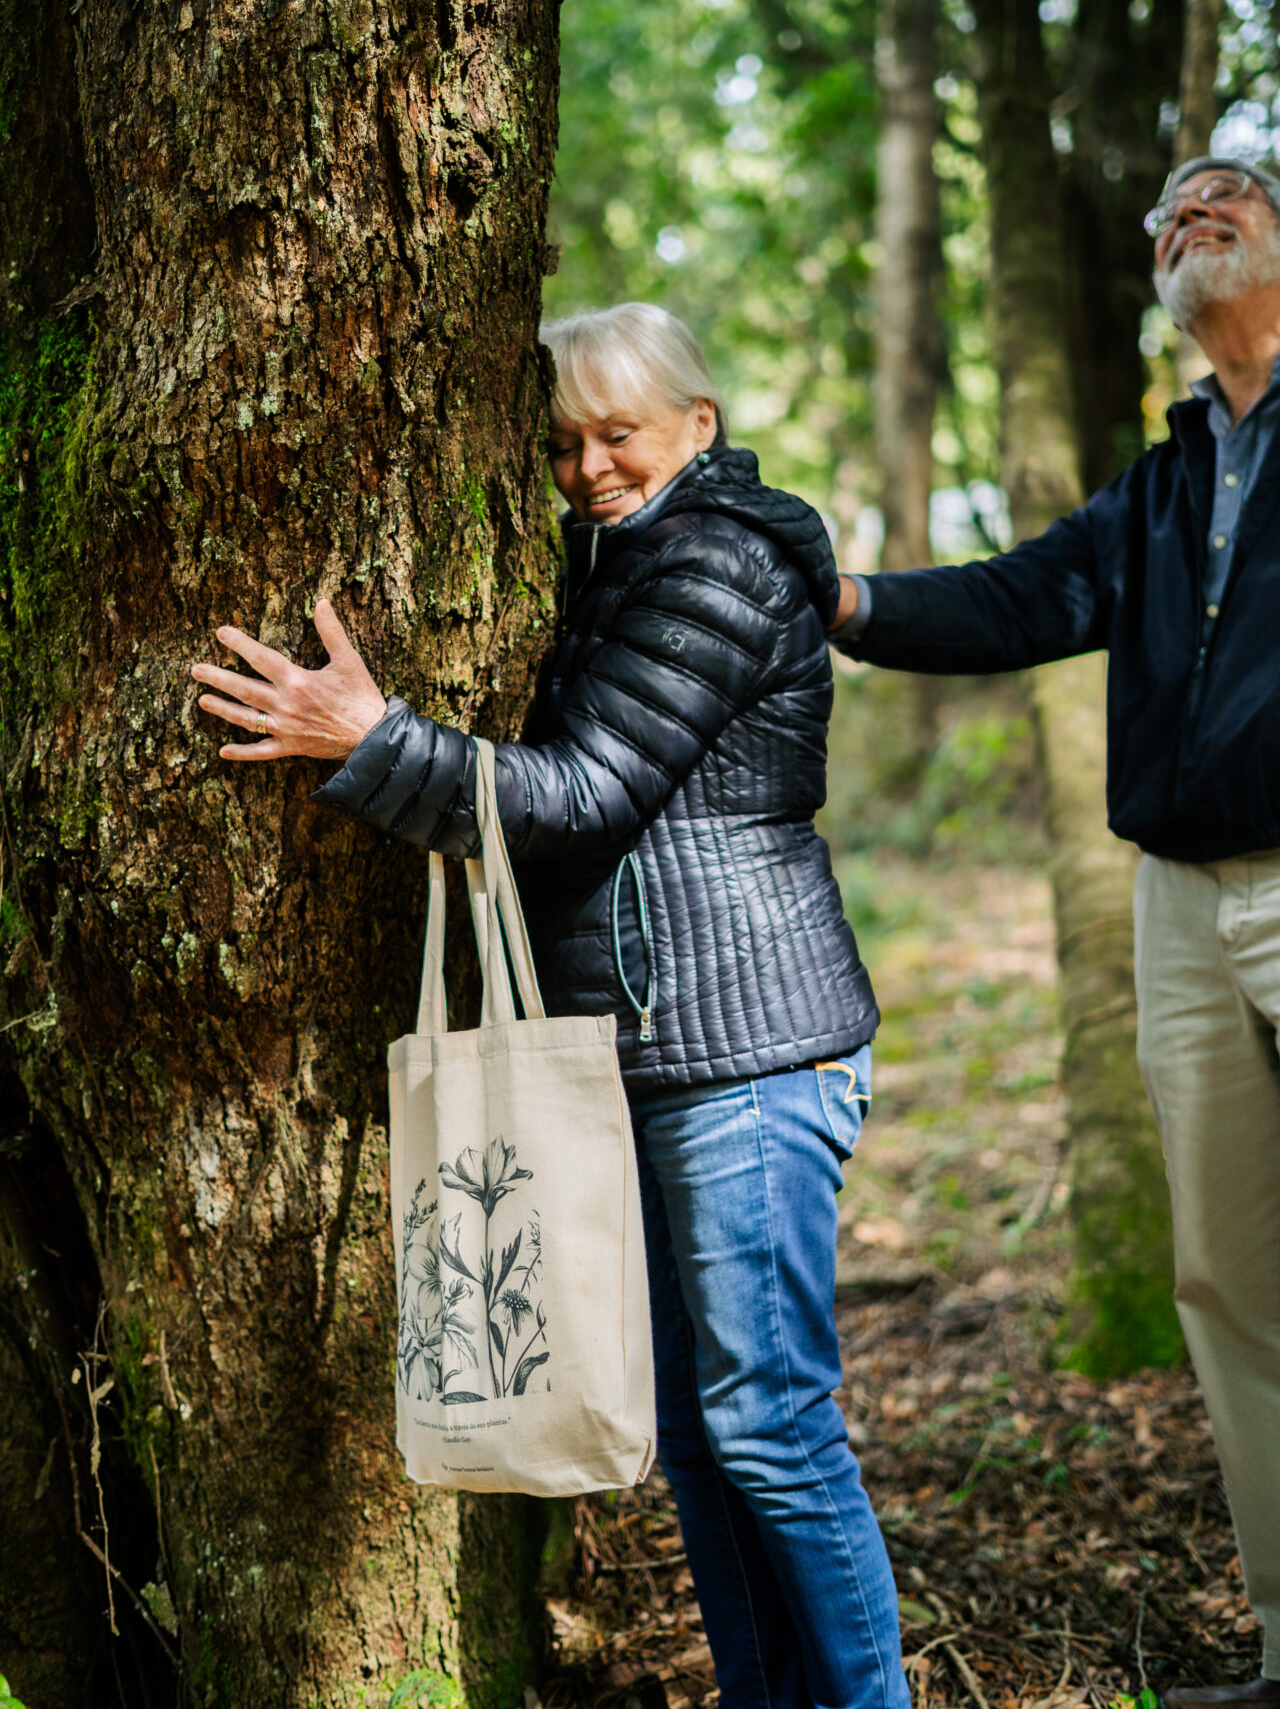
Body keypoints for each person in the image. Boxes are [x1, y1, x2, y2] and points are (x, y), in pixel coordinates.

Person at [191, 302, 910, 1709]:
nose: (588, 468)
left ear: (697, 427)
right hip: (641, 1050)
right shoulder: (611, 568)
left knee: (768, 1426)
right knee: (702, 1442)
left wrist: (375, 740)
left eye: (619, 435)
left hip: (749, 1055)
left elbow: (583, 798)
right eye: (564, 443)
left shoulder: (716, 563)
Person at [828, 158, 1280, 1709]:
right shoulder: (1160, 482)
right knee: (1226, 1274)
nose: (1186, 217)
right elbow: (1022, 599)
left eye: (1225, 193)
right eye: (1166, 214)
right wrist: (845, 599)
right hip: (1178, 901)